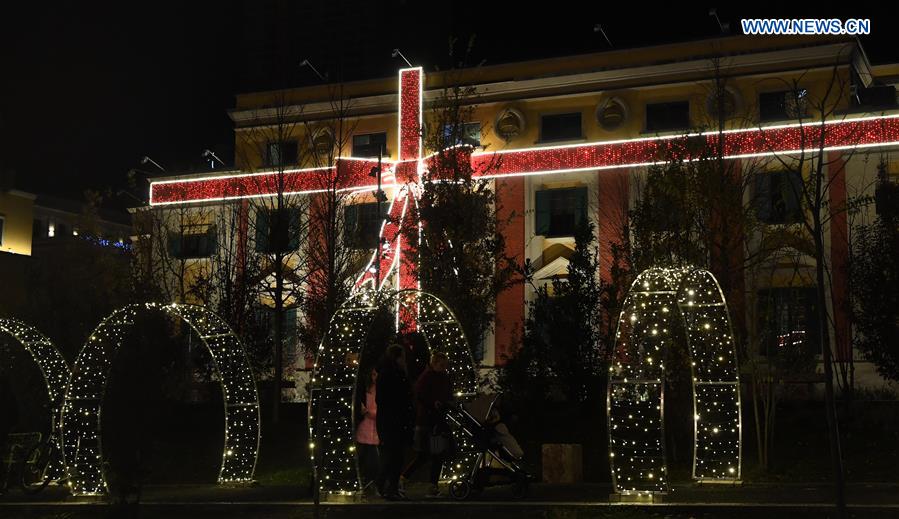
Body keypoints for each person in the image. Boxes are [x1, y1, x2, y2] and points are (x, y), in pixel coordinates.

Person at [401, 351, 452, 498]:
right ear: (434, 363)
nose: (444, 368)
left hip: (437, 422)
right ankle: (406, 478)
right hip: (427, 422)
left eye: (445, 365)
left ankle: (432, 486)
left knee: (436, 454)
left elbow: (448, 394)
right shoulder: (427, 377)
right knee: (425, 454)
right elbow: (420, 396)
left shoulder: (443, 378)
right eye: (441, 365)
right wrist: (433, 403)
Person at [375, 343, 413, 500]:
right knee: (392, 456)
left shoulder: (398, 374)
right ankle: (384, 485)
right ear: (396, 358)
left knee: (397, 456)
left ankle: (391, 487)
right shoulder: (387, 374)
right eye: (402, 357)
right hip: (391, 422)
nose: (405, 360)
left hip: (397, 421)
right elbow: (382, 399)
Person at [355, 367, 380, 493]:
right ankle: (365, 482)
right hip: (365, 426)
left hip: (374, 427)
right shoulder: (365, 391)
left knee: (372, 459)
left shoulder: (379, 390)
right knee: (364, 456)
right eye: (373, 374)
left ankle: (370, 482)